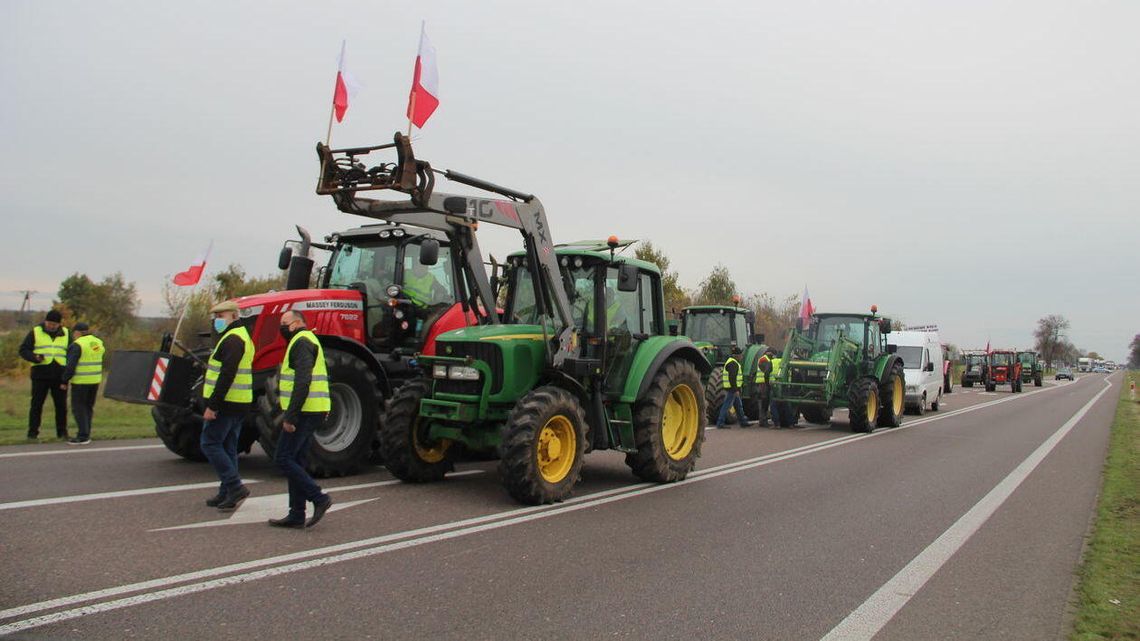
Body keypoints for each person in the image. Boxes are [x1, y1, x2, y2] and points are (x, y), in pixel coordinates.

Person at [269, 311, 334, 529]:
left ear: (297, 323)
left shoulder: (302, 342)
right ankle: (296, 513)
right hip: (312, 409)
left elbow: (303, 381)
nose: (282, 327)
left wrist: (291, 416)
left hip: (305, 411)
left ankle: (318, 498)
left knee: (283, 458)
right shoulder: (306, 340)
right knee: (296, 459)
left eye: (285, 323)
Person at [201, 301, 254, 511]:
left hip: (227, 403)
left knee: (210, 443)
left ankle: (234, 485)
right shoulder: (241, 336)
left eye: (220, 315)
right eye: (215, 317)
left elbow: (227, 375)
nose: (217, 320)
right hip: (239, 401)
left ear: (233, 315)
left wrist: (213, 405)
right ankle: (226, 493)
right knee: (228, 446)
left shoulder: (233, 339)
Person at [19, 310, 70, 440]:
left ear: (59, 324)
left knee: (61, 406)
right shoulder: (36, 331)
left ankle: (62, 433)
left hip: (60, 375)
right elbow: (23, 350)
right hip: (40, 375)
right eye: (49, 323)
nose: (51, 326)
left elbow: (71, 352)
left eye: (54, 324)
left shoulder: (67, 334)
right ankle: (32, 433)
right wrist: (34, 357)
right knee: (36, 405)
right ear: (45, 321)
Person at [61, 322, 104, 445]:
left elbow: (71, 365)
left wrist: (64, 380)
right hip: (94, 380)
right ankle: (87, 433)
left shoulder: (77, 345)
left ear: (77, 332)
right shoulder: (98, 342)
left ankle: (83, 436)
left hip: (81, 381)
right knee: (88, 408)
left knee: (78, 408)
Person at [716, 346, 751, 429]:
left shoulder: (731, 362)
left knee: (738, 406)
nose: (742, 357)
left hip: (732, 388)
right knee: (727, 405)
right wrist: (736, 390)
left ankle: (743, 421)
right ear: (737, 356)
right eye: (740, 355)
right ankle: (720, 422)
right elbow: (732, 378)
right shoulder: (733, 364)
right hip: (732, 389)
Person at [754, 347, 776, 427]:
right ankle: (763, 421)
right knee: (764, 402)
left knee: (764, 403)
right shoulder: (764, 359)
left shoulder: (764, 359)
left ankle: (763, 420)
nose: (773, 356)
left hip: (762, 383)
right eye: (773, 354)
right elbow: (767, 371)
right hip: (762, 383)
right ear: (769, 353)